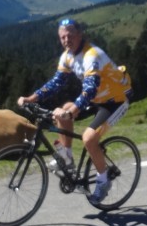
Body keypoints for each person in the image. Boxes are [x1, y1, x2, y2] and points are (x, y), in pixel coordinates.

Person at [18, 18, 133, 203]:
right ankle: (67, 157)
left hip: (116, 100)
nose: (66, 40)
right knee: (63, 111)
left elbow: (89, 89)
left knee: (89, 138)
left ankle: (103, 181)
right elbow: (56, 83)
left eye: (70, 35)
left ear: (80, 34)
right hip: (96, 99)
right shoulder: (67, 56)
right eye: (62, 37)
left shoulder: (92, 55)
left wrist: (72, 112)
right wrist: (31, 98)